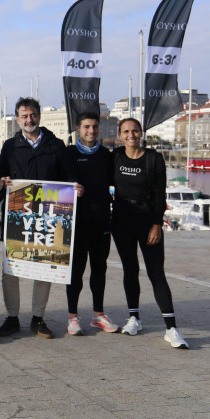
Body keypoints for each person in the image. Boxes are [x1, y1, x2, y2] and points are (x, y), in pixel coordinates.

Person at [0, 97, 78, 340]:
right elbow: (1, 177)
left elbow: (68, 180)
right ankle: (12, 317)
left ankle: (38, 318)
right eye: (24, 115)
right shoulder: (10, 146)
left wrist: (75, 190)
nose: (29, 119)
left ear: (39, 116)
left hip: (49, 218)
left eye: (32, 115)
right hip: (18, 216)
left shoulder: (56, 145)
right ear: (17, 119)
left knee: (44, 269)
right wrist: (1, 182)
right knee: (11, 270)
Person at [111, 118, 188, 349]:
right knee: (130, 270)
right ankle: (134, 318)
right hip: (122, 221)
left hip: (147, 222)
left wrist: (157, 224)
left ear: (141, 133)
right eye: (126, 131)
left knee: (156, 273)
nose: (131, 135)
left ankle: (171, 328)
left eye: (135, 131)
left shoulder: (153, 158)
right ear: (120, 135)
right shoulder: (115, 157)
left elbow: (160, 194)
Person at [64, 112, 118, 336]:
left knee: (99, 269)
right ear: (78, 128)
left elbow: (116, 185)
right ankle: (72, 318)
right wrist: (69, 188)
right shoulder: (67, 154)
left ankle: (98, 315)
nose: (91, 131)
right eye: (86, 126)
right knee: (75, 271)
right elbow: (54, 184)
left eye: (95, 127)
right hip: (77, 223)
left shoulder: (107, 155)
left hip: (101, 222)